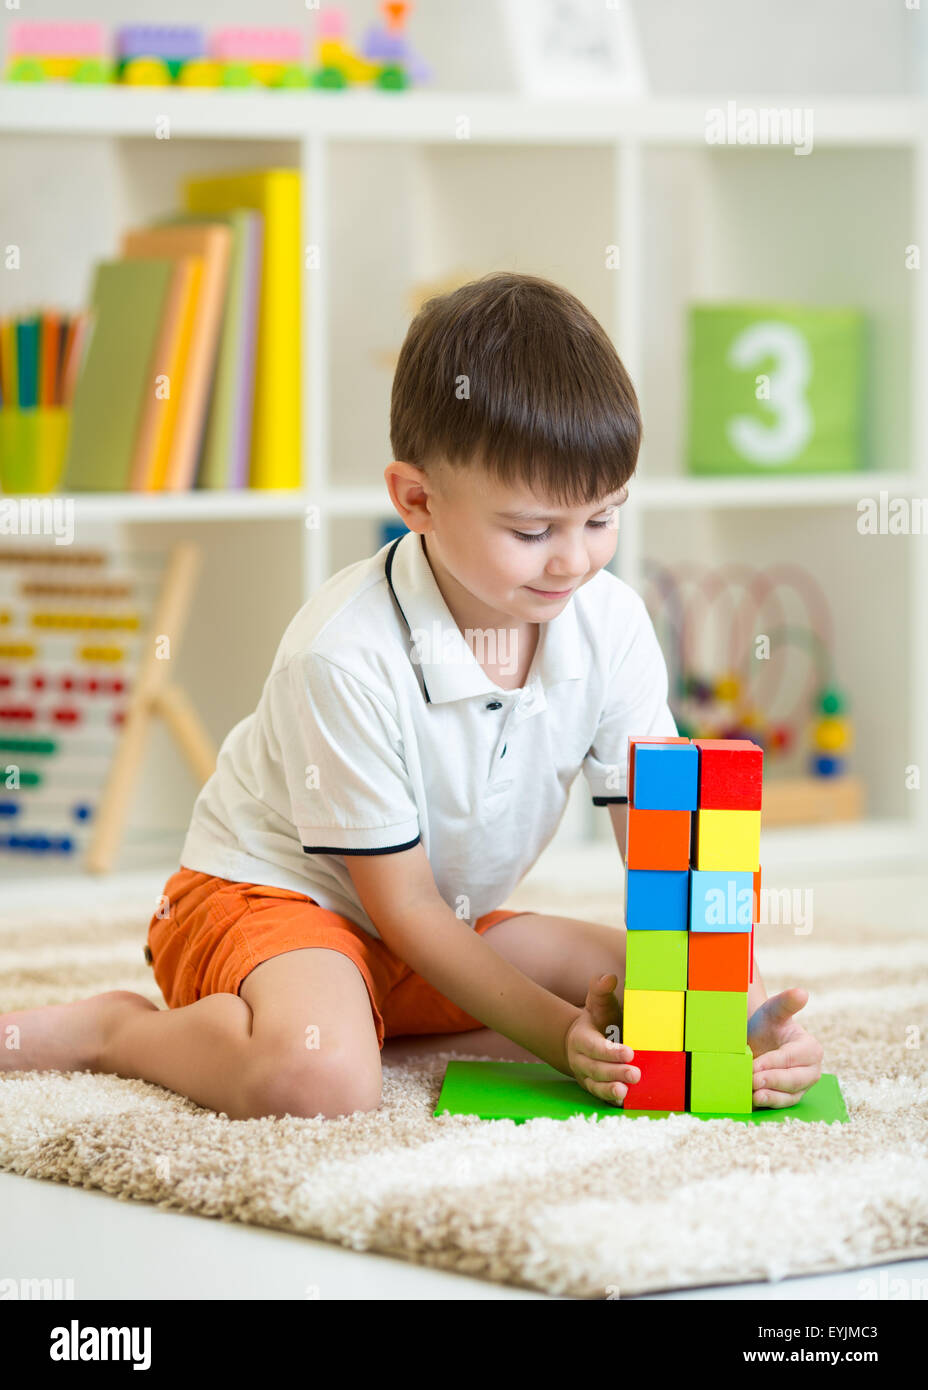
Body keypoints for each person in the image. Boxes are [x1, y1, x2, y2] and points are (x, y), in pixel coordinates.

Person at [1, 272, 823, 1119]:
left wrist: (738, 1021)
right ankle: (117, 1032)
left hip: (441, 925)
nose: (575, 560)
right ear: (417, 500)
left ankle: (365, 1016)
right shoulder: (345, 655)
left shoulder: (610, 623)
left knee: (637, 980)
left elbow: (671, 850)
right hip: (275, 899)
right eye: (533, 531)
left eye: (603, 517)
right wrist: (555, 1039)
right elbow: (404, 906)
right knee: (319, 1081)